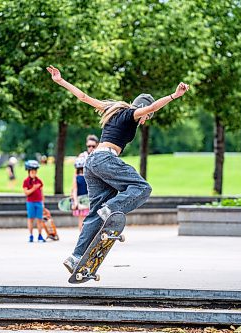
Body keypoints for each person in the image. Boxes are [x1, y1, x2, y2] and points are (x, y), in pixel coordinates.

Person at [46, 65, 190, 273]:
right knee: (142, 188)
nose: (144, 120)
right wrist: (174, 96)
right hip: (105, 159)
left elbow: (84, 97)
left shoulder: (112, 110)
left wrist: (61, 81)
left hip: (91, 162)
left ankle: (76, 257)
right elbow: (152, 108)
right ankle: (110, 209)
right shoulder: (132, 113)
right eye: (145, 118)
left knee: (95, 213)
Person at [22, 160, 46, 243]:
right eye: (32, 171)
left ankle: (40, 235)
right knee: (31, 219)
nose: (34, 173)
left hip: (39, 202)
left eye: (35, 171)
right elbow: (26, 192)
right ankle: (31, 235)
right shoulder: (26, 181)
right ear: (29, 172)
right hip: (30, 202)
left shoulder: (39, 181)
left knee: (40, 219)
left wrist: (43, 202)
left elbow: (42, 193)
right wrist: (34, 188)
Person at [71, 156, 89, 231]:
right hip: (88, 200)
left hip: (80, 200)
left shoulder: (76, 177)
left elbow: (74, 190)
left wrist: (75, 202)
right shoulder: (89, 177)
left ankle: (82, 236)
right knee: (88, 220)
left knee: (81, 219)